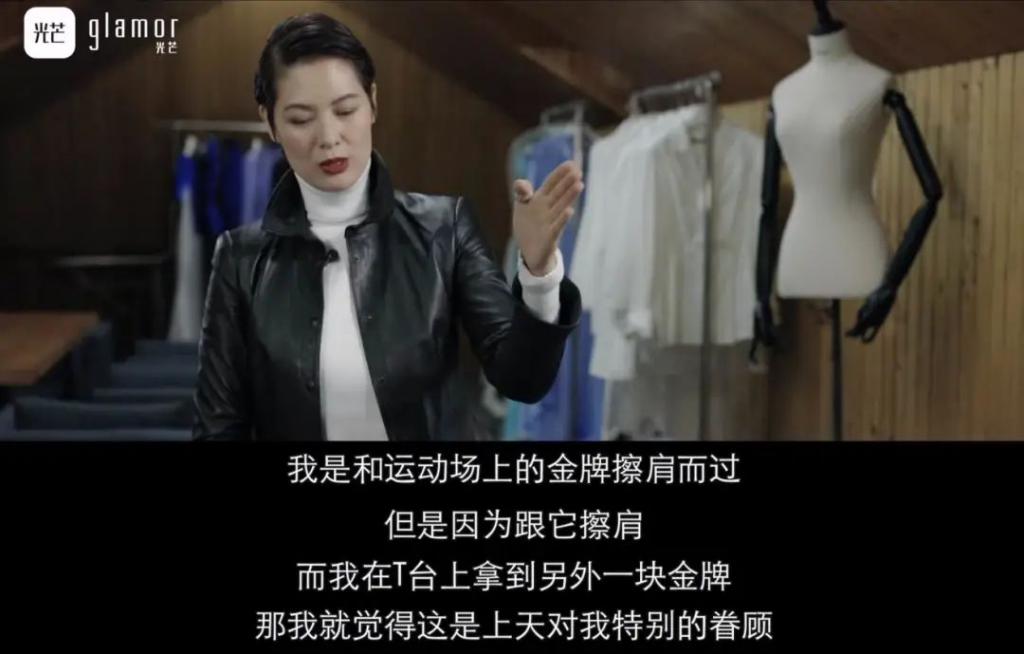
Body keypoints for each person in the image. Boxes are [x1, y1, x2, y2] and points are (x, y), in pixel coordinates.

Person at [192, 13, 584, 441]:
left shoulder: (443, 229)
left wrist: (540, 273)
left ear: (373, 103)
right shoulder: (240, 258)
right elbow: (218, 426)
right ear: (270, 123)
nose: (329, 136)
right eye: (301, 119)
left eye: (345, 110)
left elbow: (522, 381)